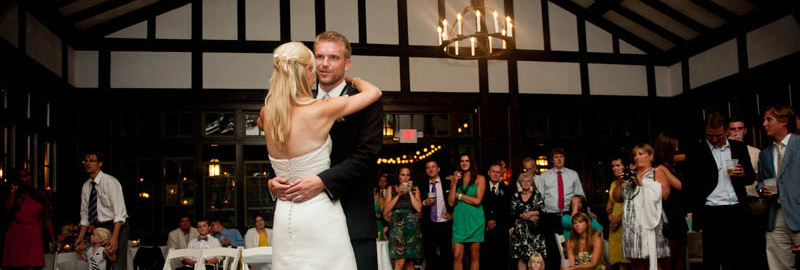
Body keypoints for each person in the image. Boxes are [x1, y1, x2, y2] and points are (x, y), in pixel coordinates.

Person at [266, 31, 383, 270]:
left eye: (333, 57)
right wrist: (272, 182)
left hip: (353, 218)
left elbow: (366, 156)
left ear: (347, 62)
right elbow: (280, 150)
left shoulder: (363, 101)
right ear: (310, 62)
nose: (325, 64)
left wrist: (322, 181)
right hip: (300, 219)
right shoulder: (290, 100)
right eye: (319, 56)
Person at [684, 112, 755, 270]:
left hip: (737, 209)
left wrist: (743, 173)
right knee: (712, 259)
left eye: (719, 135)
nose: (714, 140)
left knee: (738, 258)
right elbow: (690, 186)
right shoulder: (697, 151)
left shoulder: (739, 147)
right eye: (710, 135)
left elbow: (750, 177)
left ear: (727, 131)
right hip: (711, 211)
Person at [616, 144, 670, 270]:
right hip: (632, 225)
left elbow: (665, 194)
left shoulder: (657, 172)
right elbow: (618, 198)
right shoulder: (630, 174)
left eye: (641, 154)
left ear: (650, 156)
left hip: (650, 223)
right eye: (635, 155)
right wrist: (620, 182)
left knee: (653, 261)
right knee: (636, 263)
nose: (637, 157)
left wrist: (643, 183)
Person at [758, 105, 798, 270]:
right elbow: (761, 181)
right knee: (778, 264)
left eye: (769, 119)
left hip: (798, 212)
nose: (764, 124)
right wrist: (762, 190)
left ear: (784, 121)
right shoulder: (765, 154)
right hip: (775, 215)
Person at [75, 151, 129, 270]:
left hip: (115, 226)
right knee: (99, 264)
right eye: (86, 161)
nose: (88, 163)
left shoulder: (110, 182)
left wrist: (114, 238)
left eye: (92, 160)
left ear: (100, 163)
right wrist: (80, 237)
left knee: (116, 264)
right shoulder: (86, 186)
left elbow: (119, 213)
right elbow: (85, 216)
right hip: (98, 229)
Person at [727, 116, 768, 269]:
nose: (736, 132)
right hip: (732, 203)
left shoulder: (756, 152)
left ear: (745, 131)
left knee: (757, 243)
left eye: (739, 129)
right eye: (732, 129)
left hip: (753, 201)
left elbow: (762, 177)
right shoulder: (722, 150)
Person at [540, 148, 585, 270]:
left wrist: (588, 211)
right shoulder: (544, 176)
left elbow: (580, 195)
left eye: (561, 156)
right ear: (552, 160)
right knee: (552, 248)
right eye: (556, 157)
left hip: (569, 215)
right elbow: (540, 198)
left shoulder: (573, 174)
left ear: (564, 158)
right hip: (550, 216)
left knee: (569, 247)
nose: (559, 159)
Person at [2, 168, 56, 270]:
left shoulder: (40, 195)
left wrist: (53, 240)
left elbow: (47, 218)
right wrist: (14, 190)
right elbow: (7, 208)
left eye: (29, 175)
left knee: (31, 265)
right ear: (17, 179)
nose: (29, 178)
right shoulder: (12, 194)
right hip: (16, 235)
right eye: (25, 176)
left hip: (34, 235)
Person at [653, 132, 687, 270]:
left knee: (680, 260)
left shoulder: (671, 166)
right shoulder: (660, 169)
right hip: (669, 221)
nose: (677, 149)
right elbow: (680, 186)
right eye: (675, 146)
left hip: (678, 219)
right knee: (671, 261)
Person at [448, 153, 486, 270]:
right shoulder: (456, 179)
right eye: (462, 161)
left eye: (467, 161)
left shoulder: (480, 178)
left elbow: (477, 201)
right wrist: (454, 182)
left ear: (471, 163)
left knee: (474, 256)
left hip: (475, 220)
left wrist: (459, 195)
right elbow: (450, 202)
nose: (464, 163)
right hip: (460, 220)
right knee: (456, 255)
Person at [384, 167, 424, 269]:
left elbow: (418, 208)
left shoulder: (415, 189)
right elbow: (386, 209)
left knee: (410, 263)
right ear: (398, 176)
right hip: (397, 229)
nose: (405, 178)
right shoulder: (391, 189)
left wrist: (410, 191)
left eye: (407, 175)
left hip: (412, 228)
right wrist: (398, 194)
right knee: (400, 262)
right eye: (403, 175)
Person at [420, 160, 454, 270]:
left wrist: (452, 214)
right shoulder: (422, 186)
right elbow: (417, 203)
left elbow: (455, 201)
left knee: (447, 255)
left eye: (433, 167)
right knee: (430, 255)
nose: (431, 169)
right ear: (426, 171)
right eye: (428, 167)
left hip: (444, 223)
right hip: (429, 225)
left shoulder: (448, 182)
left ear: (438, 169)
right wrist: (425, 202)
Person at [510, 173, 546, 270]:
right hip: (520, 232)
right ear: (520, 183)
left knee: (535, 258)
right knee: (521, 257)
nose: (526, 183)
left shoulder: (537, 195)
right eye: (523, 181)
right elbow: (514, 212)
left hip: (535, 232)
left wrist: (531, 212)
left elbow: (543, 211)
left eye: (528, 181)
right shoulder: (515, 196)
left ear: (531, 183)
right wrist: (528, 217)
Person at [481, 163, 512, 270]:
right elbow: (479, 207)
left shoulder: (507, 189)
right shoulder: (482, 188)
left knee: (501, 260)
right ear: (489, 173)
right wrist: (487, 222)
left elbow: (509, 211)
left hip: (501, 231)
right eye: (493, 172)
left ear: (501, 174)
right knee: (486, 260)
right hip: (485, 230)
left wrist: (496, 222)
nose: (495, 174)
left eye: (498, 172)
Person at [606, 154, 630, 270]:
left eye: (618, 165)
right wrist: (611, 217)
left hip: (627, 220)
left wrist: (620, 218)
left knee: (629, 259)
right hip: (614, 222)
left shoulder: (630, 181)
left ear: (625, 166)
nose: (614, 168)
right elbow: (610, 202)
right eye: (613, 166)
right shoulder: (613, 183)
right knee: (619, 260)